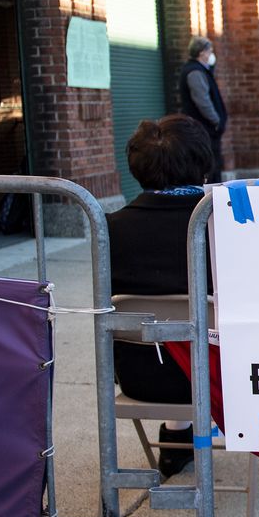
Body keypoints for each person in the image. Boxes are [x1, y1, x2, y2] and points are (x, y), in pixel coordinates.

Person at [107, 115, 215, 478]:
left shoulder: (110, 229)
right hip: (218, 377)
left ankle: (175, 440)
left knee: (169, 335)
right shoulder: (223, 226)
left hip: (141, 376)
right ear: (202, 161)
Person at [178, 36, 228, 182]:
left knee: (214, 166)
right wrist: (216, 120)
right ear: (202, 53)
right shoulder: (195, 72)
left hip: (208, 129)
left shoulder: (201, 70)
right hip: (206, 129)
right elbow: (202, 101)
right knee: (210, 167)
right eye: (210, 51)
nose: (211, 54)